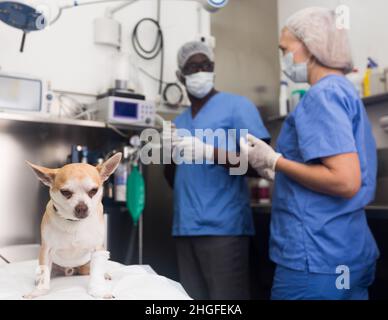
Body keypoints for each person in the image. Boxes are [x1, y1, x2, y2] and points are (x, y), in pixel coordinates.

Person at [240, 7, 379, 300]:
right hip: (347, 254)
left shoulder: (322, 95)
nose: (284, 59)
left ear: (310, 45)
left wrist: (275, 162)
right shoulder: (343, 91)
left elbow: (345, 180)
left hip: (315, 257)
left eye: (285, 49)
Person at [163, 41, 270, 300]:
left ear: (213, 69)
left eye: (205, 65)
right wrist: (169, 152)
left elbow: (262, 165)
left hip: (224, 229)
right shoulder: (179, 122)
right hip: (185, 228)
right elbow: (174, 178)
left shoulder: (237, 107)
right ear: (180, 76)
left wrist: (211, 152)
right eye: (192, 66)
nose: (200, 71)